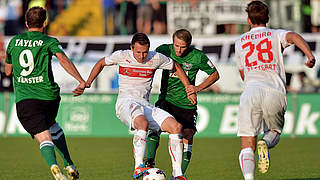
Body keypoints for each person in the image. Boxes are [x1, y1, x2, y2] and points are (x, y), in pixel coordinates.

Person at [83, 33, 195, 180]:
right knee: (142, 123)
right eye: (138, 52)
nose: (142, 56)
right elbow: (101, 63)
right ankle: (138, 166)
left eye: (145, 52)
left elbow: (176, 67)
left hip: (145, 104)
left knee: (176, 127)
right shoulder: (122, 56)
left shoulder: (155, 58)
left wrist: (188, 88)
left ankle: (177, 173)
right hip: (125, 103)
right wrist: (88, 83)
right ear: (131, 48)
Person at [235, 1, 316, 180]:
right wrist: (309, 56)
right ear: (268, 18)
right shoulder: (275, 34)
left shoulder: (240, 41)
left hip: (251, 91)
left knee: (247, 144)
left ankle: (249, 179)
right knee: (274, 132)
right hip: (275, 90)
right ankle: (265, 142)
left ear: (249, 20)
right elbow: (294, 36)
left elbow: (243, 74)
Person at [4, 7, 85, 180]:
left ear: (26, 23)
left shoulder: (13, 42)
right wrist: (80, 80)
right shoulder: (48, 41)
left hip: (27, 99)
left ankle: (54, 166)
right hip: (50, 98)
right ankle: (69, 164)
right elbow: (63, 59)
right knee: (53, 126)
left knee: (44, 137)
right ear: (45, 23)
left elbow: (8, 71)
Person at [145, 29, 220, 178]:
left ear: (189, 45)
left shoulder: (198, 56)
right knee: (155, 127)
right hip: (166, 99)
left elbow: (215, 74)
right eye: (176, 45)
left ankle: (179, 174)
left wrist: (196, 88)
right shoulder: (164, 50)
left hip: (186, 104)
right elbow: (149, 65)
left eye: (182, 47)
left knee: (187, 135)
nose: (178, 50)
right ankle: (149, 162)